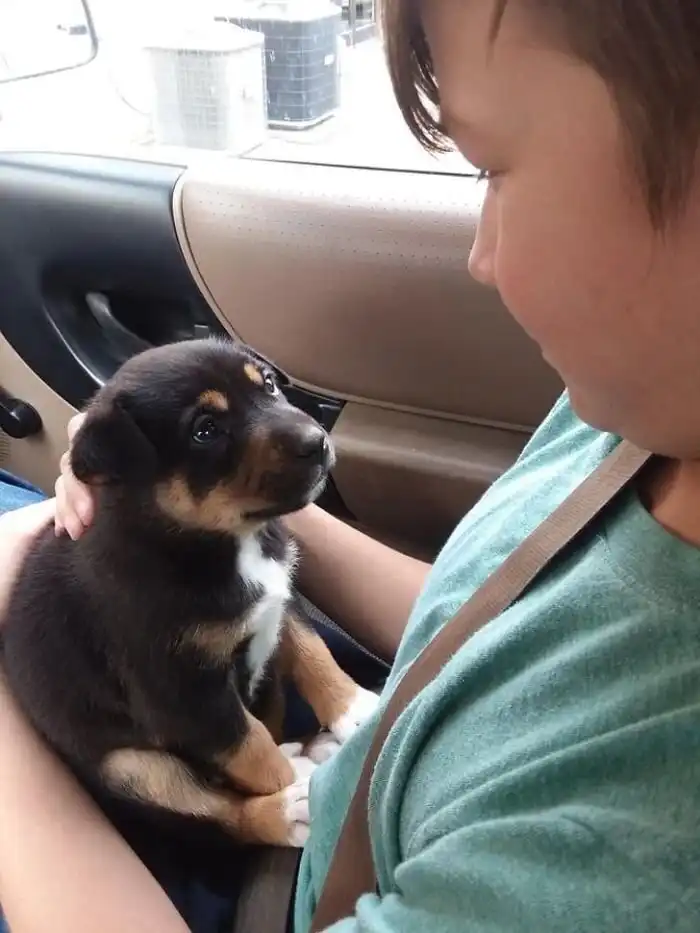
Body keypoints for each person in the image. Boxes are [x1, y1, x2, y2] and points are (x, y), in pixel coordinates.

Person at [2, 0, 700, 930]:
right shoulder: (632, 414)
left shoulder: (624, 859)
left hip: (226, 867)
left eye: (493, 167)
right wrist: (219, 511)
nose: (481, 255)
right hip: (355, 763)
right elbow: (503, 627)